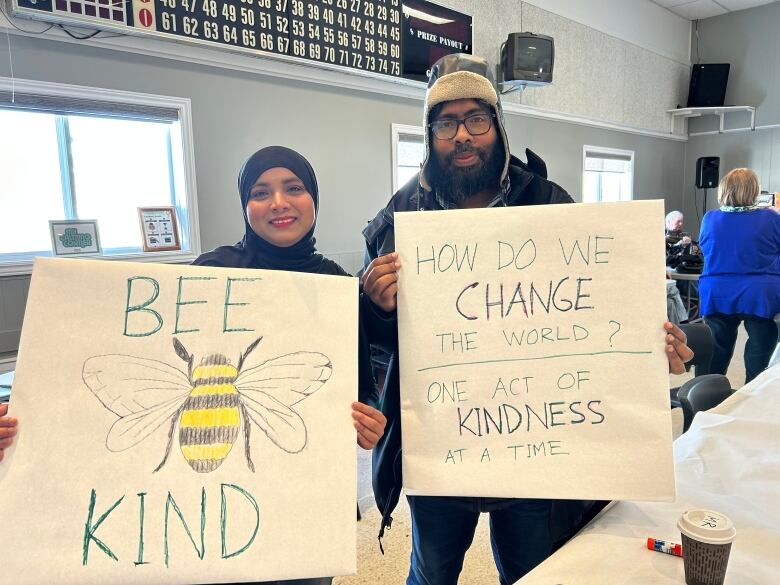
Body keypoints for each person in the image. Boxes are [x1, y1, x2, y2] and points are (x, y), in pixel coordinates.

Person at [360, 53, 694, 585]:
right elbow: (376, 349)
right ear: (430, 134)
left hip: (536, 448)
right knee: (430, 575)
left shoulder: (551, 205)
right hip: (440, 446)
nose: (462, 135)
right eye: (446, 122)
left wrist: (650, 343)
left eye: (476, 119)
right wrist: (375, 307)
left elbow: (597, 310)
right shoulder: (398, 221)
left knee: (534, 574)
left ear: (498, 125)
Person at [699, 168, 780, 384]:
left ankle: (705, 404)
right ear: (753, 190)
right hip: (760, 294)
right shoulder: (771, 218)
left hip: (717, 293)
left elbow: (707, 249)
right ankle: (749, 404)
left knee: (714, 357)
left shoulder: (710, 218)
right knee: (759, 358)